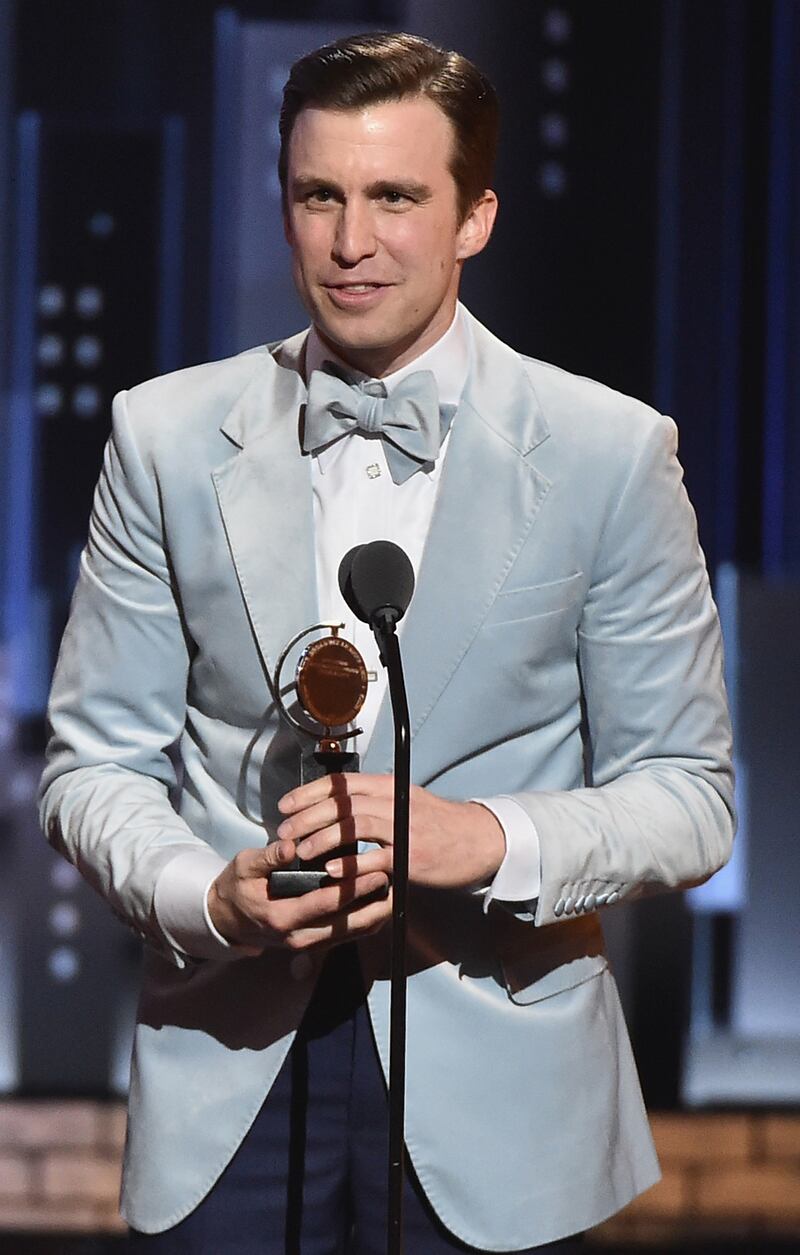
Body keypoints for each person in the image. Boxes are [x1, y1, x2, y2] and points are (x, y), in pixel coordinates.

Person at [40, 31, 734, 1255]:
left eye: (394, 198)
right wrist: (206, 895)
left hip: (504, 1090)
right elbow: (92, 767)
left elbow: (687, 801)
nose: (351, 242)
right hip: (231, 1073)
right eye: (320, 196)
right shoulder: (163, 437)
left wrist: (483, 838)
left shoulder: (606, 453)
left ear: (474, 217)